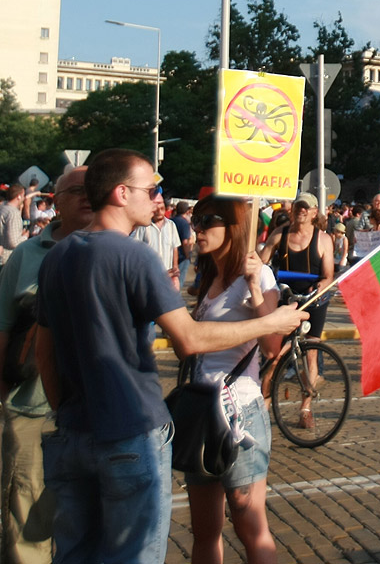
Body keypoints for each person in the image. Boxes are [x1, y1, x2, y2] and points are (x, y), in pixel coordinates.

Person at [34, 148, 306, 564]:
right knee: (136, 554)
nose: (158, 199)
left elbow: (44, 351)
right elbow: (189, 340)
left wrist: (65, 413)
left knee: (74, 553)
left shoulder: (58, 256)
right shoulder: (135, 254)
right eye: (151, 189)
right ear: (122, 194)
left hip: (76, 432)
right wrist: (271, 323)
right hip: (131, 427)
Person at [0, 167, 91, 564]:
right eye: (78, 191)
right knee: (28, 511)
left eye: (95, 190)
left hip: (93, 411)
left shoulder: (113, 248)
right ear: (55, 202)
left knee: (87, 515)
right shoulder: (26, 253)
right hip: (31, 406)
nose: (89, 196)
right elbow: (2, 326)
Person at [186, 194, 283, 563]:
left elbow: (273, 346)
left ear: (233, 226)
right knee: (205, 531)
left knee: (250, 524)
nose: (197, 230)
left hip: (239, 412)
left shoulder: (259, 275)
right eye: (195, 221)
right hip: (201, 411)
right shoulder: (208, 275)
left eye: (207, 221)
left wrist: (256, 286)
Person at [260, 192, 333, 429]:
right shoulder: (279, 235)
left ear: (314, 213)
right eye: (299, 207)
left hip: (313, 301)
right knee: (274, 356)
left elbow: (328, 276)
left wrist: (319, 288)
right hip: (285, 299)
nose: (302, 211)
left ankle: (306, 409)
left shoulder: (323, 239)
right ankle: (264, 405)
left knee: (311, 354)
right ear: (292, 210)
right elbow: (261, 264)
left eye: (307, 208)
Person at [133, 189, 182, 291]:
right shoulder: (143, 226)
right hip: (149, 275)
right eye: (157, 209)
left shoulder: (171, 225)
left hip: (168, 274)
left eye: (162, 208)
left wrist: (175, 267)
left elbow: (174, 247)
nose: (160, 212)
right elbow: (136, 249)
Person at [0, 185, 27, 270]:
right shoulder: (13, 213)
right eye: (23, 195)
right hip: (6, 259)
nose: (24, 198)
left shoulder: (2, 208)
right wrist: (25, 236)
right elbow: (13, 243)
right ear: (18, 196)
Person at [172, 200, 194, 290]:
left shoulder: (171, 220)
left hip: (172, 254)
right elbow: (185, 242)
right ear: (187, 211)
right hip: (181, 255)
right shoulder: (184, 223)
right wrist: (188, 255)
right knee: (179, 281)